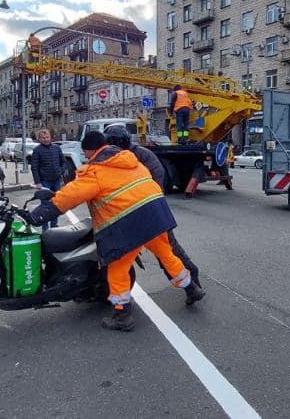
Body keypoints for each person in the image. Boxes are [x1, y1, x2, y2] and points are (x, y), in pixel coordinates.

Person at [29, 131, 205, 331]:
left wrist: (38, 216)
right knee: (167, 256)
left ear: (90, 150)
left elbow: (67, 197)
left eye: (85, 152)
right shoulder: (130, 161)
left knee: (117, 269)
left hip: (130, 225)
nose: (85, 156)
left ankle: (122, 315)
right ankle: (192, 289)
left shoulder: (95, 171)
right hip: (156, 217)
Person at [103, 126, 201, 287]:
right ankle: (190, 286)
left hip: (150, 210)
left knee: (168, 250)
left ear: (117, 142)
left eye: (109, 144)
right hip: (139, 210)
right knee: (164, 252)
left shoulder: (140, 155)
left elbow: (157, 178)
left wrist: (143, 202)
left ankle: (192, 278)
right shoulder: (124, 156)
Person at [30, 129, 65, 230]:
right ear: (40, 139)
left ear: (50, 137)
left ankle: (54, 227)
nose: (45, 139)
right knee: (45, 206)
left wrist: (60, 171)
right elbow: (34, 167)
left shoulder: (57, 148)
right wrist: (38, 182)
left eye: (47, 137)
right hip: (44, 182)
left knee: (56, 204)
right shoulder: (37, 150)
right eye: (43, 138)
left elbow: (63, 162)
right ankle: (45, 229)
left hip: (56, 181)